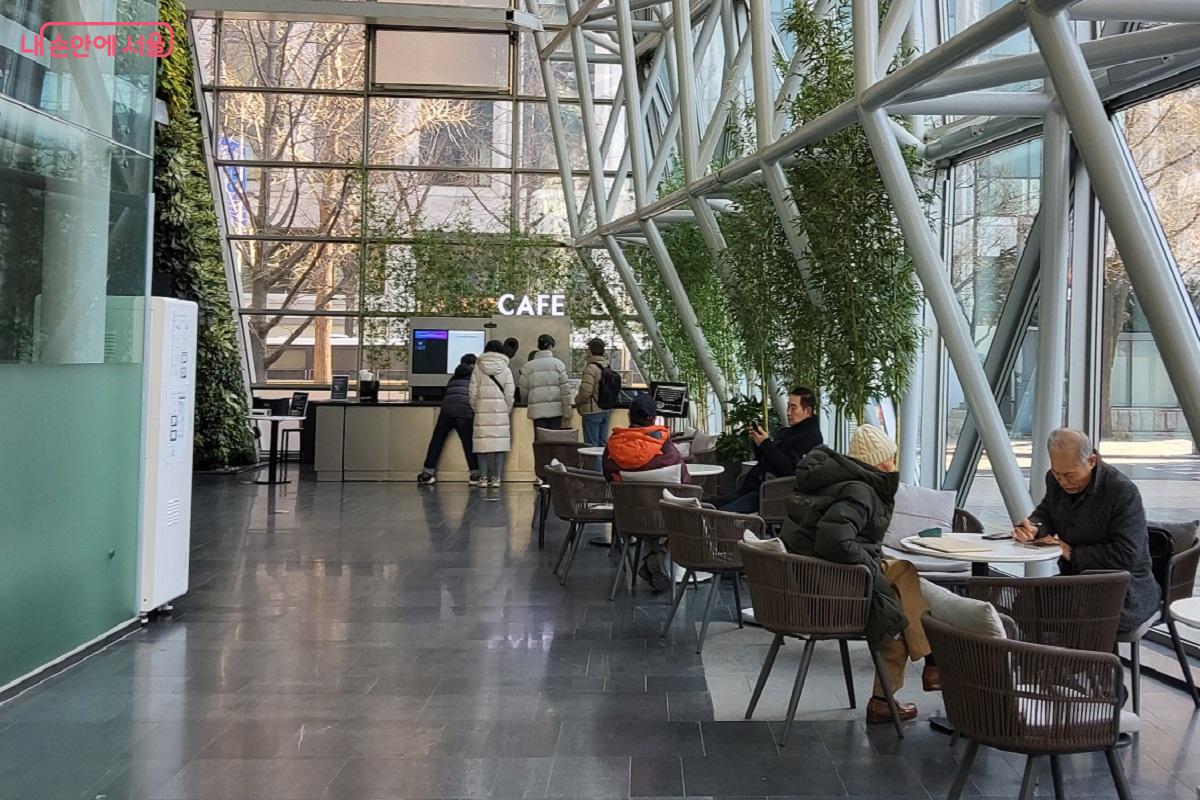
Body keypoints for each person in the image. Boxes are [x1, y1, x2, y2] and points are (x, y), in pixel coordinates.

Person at [779, 424, 936, 724]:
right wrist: (871, 568)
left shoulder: (831, 480)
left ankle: (928, 666)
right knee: (892, 607)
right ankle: (918, 672)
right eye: (890, 458)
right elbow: (834, 541)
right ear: (878, 462)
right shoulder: (860, 490)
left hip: (809, 577)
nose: (894, 464)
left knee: (901, 581)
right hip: (831, 586)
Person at [1012, 427, 1159, 635]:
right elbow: (1047, 512)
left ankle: (1072, 655)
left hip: (1123, 587)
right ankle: (1040, 655)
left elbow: (1127, 554)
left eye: (1069, 475)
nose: (1063, 481)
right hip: (1077, 580)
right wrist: (1034, 527)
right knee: (1025, 602)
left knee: (1066, 611)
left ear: (1091, 461)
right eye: (1057, 473)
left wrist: (1072, 553)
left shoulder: (1121, 491)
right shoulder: (1055, 479)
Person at [602, 394, 688, 591]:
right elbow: (684, 480)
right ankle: (655, 556)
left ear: (629, 416)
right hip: (664, 518)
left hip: (628, 518)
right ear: (653, 418)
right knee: (665, 510)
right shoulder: (665, 447)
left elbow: (606, 475)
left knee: (645, 509)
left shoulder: (613, 445)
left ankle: (652, 559)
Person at [718, 387, 823, 514]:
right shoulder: (787, 432)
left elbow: (790, 470)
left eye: (793, 408)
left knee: (718, 515)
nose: (788, 412)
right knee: (707, 505)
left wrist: (766, 444)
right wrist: (758, 442)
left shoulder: (811, 437)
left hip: (771, 496)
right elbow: (766, 458)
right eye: (788, 407)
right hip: (756, 488)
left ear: (808, 411)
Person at [417, 357, 480, 486]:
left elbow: (446, 394)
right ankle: (475, 474)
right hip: (464, 412)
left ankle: (427, 472)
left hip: (446, 412)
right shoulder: (474, 379)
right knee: (468, 443)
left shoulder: (452, 379)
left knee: (436, 442)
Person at [469, 340, 515, 488]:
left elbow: (472, 392)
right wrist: (506, 409)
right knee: (499, 445)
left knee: (482, 445)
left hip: (482, 409)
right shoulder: (506, 369)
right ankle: (496, 478)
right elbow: (510, 393)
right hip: (500, 410)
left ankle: (483, 478)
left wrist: (476, 407)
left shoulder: (477, 369)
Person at [518, 333, 572, 430]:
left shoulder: (528, 367)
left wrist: (528, 402)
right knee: (554, 437)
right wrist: (567, 412)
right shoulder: (559, 364)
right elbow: (565, 391)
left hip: (537, 412)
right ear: (550, 346)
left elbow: (523, 391)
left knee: (540, 438)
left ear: (538, 346)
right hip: (556, 411)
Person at [575, 338, 614, 446]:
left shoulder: (591, 368)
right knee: (602, 445)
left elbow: (586, 392)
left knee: (591, 446)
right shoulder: (607, 366)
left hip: (592, 411)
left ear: (591, 351)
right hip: (605, 409)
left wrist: (577, 401)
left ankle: (594, 459)